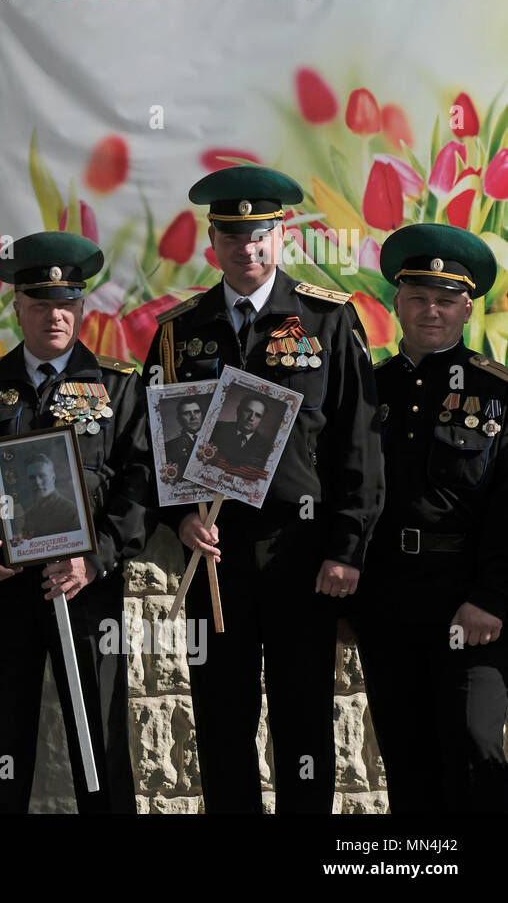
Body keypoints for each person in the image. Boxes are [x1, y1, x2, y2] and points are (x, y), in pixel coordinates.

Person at [145, 166, 384, 813]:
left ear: (279, 237)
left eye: (259, 234)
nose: (246, 248)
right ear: (212, 243)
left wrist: (347, 550)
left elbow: (357, 444)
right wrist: (181, 518)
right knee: (221, 720)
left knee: (303, 718)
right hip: (216, 558)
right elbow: (153, 446)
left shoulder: (327, 321)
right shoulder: (178, 332)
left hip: (300, 554)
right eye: (231, 235)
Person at [0, 230, 150, 814]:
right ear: (17, 306)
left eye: (66, 303)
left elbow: (140, 484)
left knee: (100, 739)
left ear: (81, 307)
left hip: (88, 588)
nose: (54, 315)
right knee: (2, 741)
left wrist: (96, 556)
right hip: (7, 589)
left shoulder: (118, 385)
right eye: (39, 303)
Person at [352, 223, 507, 812]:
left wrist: (493, 597)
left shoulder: (499, 396)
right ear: (397, 301)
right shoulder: (368, 390)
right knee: (406, 755)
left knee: (474, 748)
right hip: (388, 600)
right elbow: (349, 492)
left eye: (445, 300)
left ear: (468, 307)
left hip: (468, 600)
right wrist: (348, 603)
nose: (431, 311)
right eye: (418, 297)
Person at [16, 453, 83, 540]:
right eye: (32, 478)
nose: (37, 482)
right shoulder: (28, 515)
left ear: (53, 478)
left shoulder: (70, 511)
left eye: (42, 476)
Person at [209, 394, 273, 471]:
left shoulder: (266, 448)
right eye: (248, 411)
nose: (251, 418)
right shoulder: (217, 428)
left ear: (261, 420)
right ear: (238, 411)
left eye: (258, 415)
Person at [163, 398, 203, 469]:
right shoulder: (168, 448)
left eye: (197, 412)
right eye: (187, 413)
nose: (193, 417)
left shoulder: (217, 437)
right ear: (179, 419)